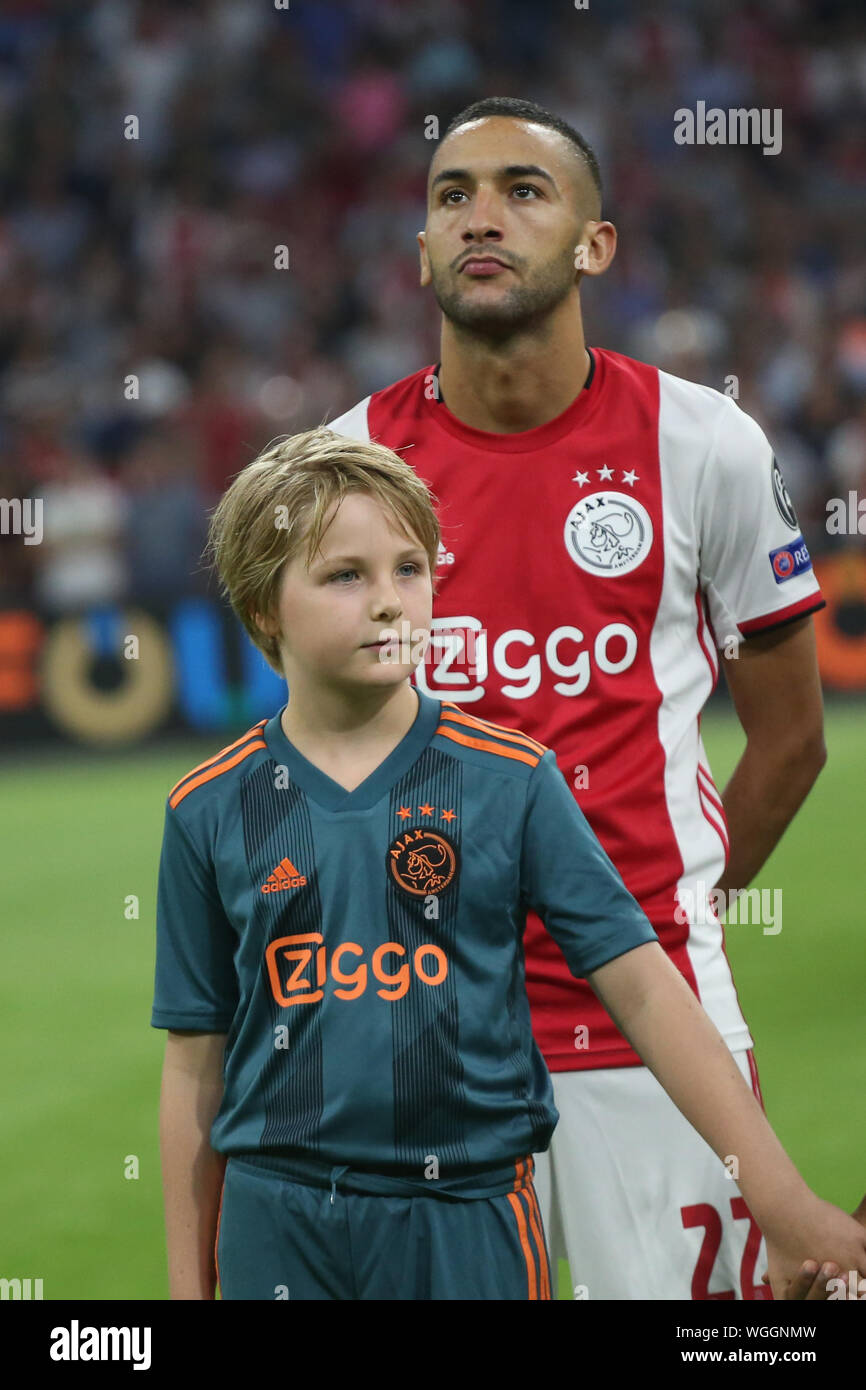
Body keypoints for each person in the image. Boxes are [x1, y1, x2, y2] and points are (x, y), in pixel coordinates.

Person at [151, 427, 866, 1301]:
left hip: (468, 1212)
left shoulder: (509, 779)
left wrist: (779, 1197)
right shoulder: (208, 807)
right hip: (277, 1219)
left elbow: (641, 982)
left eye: (410, 570)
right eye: (347, 575)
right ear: (264, 606)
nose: (390, 603)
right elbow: (196, 1059)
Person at [326, 96, 845, 1300]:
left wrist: (664, 916)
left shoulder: (701, 443)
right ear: (418, 252)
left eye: (521, 188)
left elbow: (789, 741)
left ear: (593, 243)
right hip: (422, 1032)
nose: (480, 218)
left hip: (655, 1031)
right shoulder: (349, 461)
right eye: (450, 196)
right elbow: (325, 754)